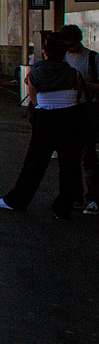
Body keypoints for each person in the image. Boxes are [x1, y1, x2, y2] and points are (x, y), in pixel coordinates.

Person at [0, 35, 86, 217]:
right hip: (70, 118)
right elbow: (78, 94)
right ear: (65, 53)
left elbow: (34, 99)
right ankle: (63, 207)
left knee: (35, 163)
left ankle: (17, 200)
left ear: (45, 52)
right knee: (70, 164)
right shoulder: (74, 74)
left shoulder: (35, 74)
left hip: (46, 118)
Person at [60, 24, 99, 213]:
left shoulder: (92, 58)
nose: (70, 48)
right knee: (70, 156)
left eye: (73, 44)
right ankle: (76, 195)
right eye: (67, 45)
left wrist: (84, 85)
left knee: (88, 155)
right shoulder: (63, 58)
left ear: (80, 39)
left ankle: (93, 197)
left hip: (87, 110)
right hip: (69, 110)